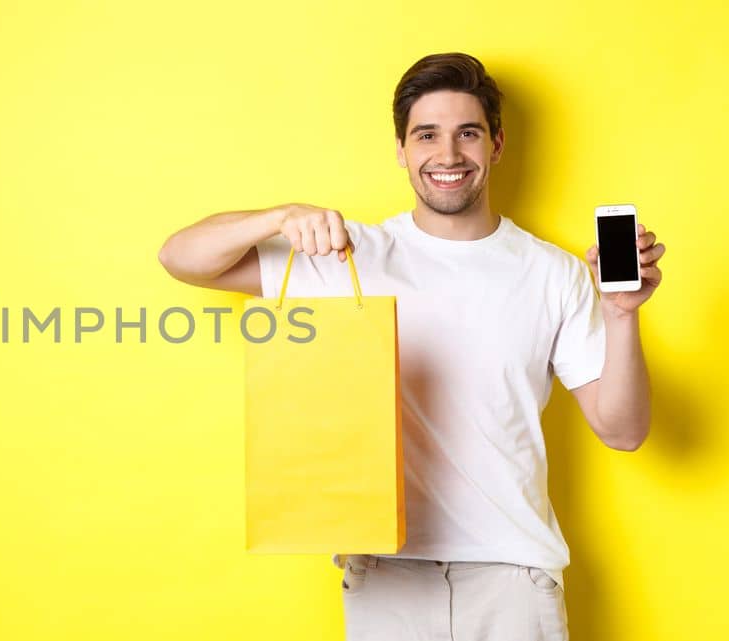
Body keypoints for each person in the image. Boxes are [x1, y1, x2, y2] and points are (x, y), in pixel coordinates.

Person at [156, 52, 666, 641]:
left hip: (513, 579)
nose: (448, 155)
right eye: (427, 135)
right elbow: (180, 258)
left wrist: (621, 314)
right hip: (384, 576)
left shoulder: (554, 273)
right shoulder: (345, 256)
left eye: (467, 134)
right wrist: (279, 216)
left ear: (496, 145)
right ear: (401, 149)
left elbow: (623, 430)